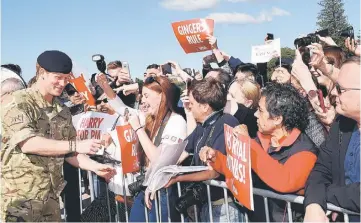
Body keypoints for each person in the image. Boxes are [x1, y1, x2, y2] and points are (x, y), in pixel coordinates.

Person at [0, 50, 116, 222]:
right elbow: (28, 143)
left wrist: (94, 167)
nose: (63, 83)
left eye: (66, 78)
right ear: (41, 73)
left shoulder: (61, 111)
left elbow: (70, 153)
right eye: (58, 77)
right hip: (20, 201)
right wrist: (75, 145)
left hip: (51, 201)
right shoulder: (17, 102)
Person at [200, 82, 318, 222]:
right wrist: (215, 158)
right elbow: (240, 169)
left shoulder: (304, 151)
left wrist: (248, 144)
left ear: (277, 119)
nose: (255, 114)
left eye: (261, 111)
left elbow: (284, 181)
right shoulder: (261, 141)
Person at [96, 74, 187, 222]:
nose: (142, 100)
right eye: (142, 96)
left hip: (164, 190)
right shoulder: (150, 117)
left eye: (146, 96)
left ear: (162, 96)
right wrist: (105, 86)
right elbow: (121, 108)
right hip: (145, 186)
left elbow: (159, 159)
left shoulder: (176, 122)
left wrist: (138, 128)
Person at [164, 78, 244, 222]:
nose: (189, 107)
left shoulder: (227, 122)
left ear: (205, 106)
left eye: (192, 104)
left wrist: (177, 177)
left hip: (225, 209)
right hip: (208, 206)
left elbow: (213, 172)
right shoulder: (202, 126)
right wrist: (159, 170)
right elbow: (181, 152)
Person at [304, 56, 360, 222]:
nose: (334, 92)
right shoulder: (342, 124)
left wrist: (327, 194)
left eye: (341, 89)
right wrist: (313, 204)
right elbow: (321, 170)